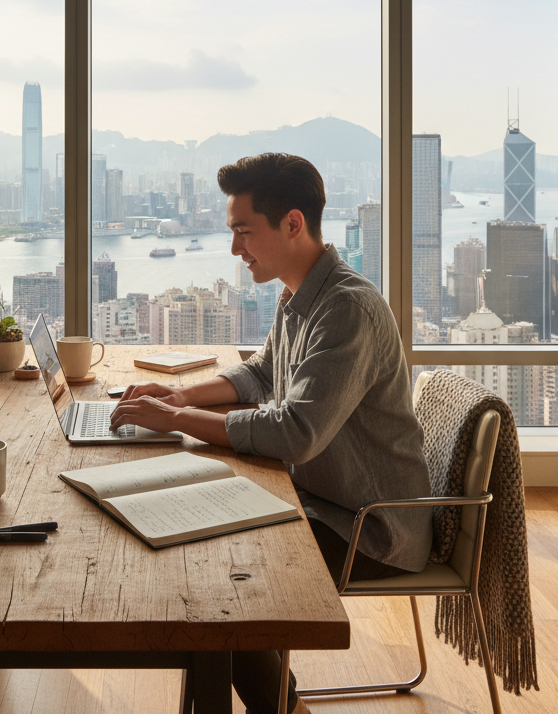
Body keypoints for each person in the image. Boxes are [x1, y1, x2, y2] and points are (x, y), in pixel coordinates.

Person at [110, 153, 432, 714]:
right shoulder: (299, 294)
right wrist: (181, 396)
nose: (236, 249)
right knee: (204, 554)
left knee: (227, 598)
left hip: (370, 525)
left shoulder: (346, 309)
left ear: (292, 223)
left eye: (243, 232)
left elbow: (295, 432)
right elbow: (262, 374)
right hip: (320, 498)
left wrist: (178, 421)